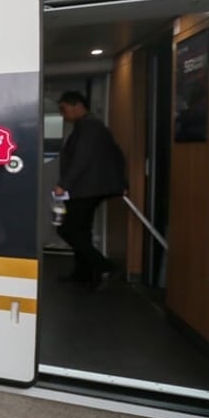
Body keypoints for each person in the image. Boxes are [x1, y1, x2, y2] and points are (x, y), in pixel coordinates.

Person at [54, 91, 127, 290]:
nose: (62, 114)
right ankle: (84, 274)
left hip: (86, 189)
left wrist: (64, 183)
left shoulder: (89, 127)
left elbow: (82, 158)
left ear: (78, 106)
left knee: (66, 229)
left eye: (64, 109)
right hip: (87, 188)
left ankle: (106, 267)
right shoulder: (89, 126)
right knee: (81, 232)